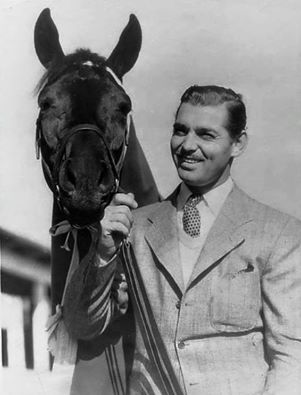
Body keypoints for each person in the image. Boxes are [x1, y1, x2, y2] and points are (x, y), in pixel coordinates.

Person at [64, 85, 301, 395]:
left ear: (238, 143)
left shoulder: (279, 233)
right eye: (180, 130)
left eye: (206, 134)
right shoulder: (131, 227)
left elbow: (292, 356)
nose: (187, 145)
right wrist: (103, 253)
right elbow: (83, 326)